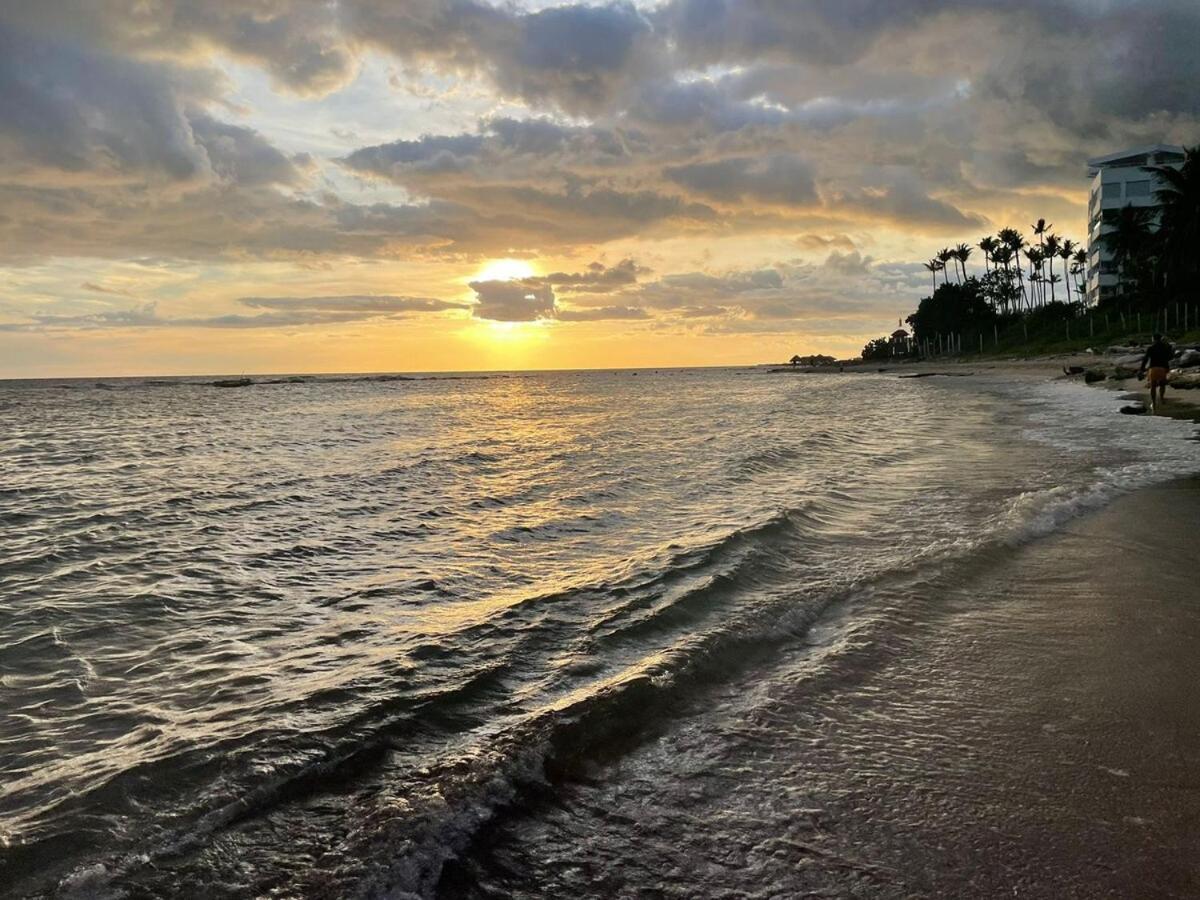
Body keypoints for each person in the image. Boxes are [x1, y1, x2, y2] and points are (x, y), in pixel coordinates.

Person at [1138, 332, 1174, 409]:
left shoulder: (1150, 348)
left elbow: (1145, 359)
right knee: (1162, 385)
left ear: (1153, 339)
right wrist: (1169, 347)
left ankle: (1153, 402)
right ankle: (1161, 398)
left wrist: (1141, 369)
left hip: (1153, 368)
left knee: (1153, 386)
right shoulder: (1165, 347)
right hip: (1163, 368)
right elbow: (1170, 357)